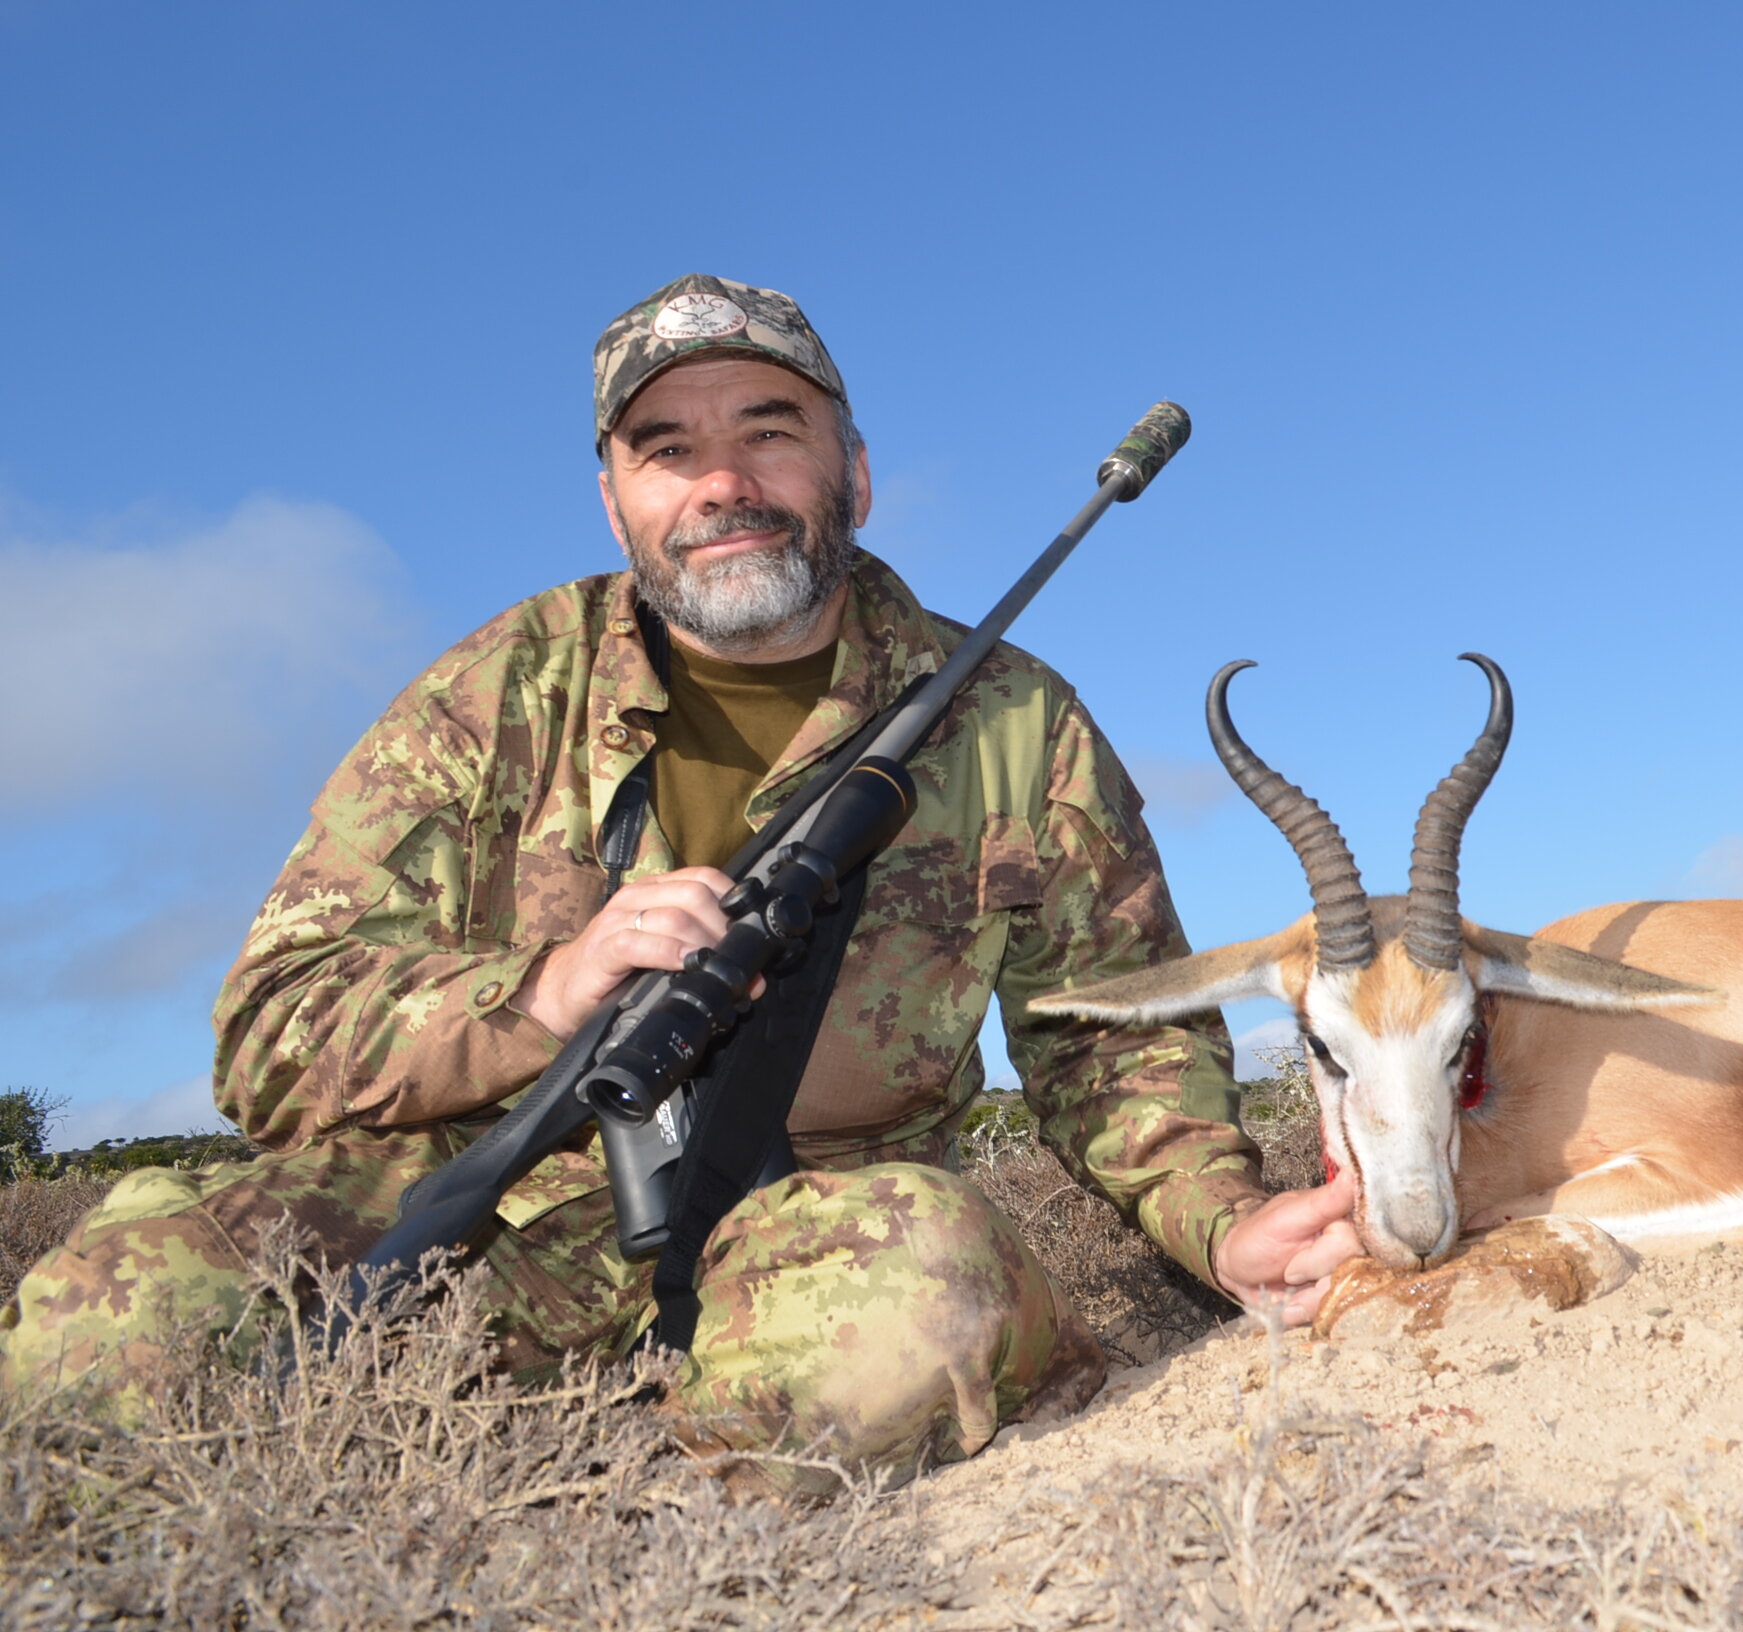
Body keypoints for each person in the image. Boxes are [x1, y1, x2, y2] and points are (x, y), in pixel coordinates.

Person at [0, 273, 1361, 1488]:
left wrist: (1226, 1224)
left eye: (770, 429)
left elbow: (1112, 1044)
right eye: (669, 449)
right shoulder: (498, 686)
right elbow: (270, 1036)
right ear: (617, 499)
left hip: (808, 1239)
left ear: (856, 471)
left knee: (919, 1310)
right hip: (487, 1228)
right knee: (107, 1328)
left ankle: (655, 1499)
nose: (724, 482)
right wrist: (545, 992)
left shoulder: (1014, 719)